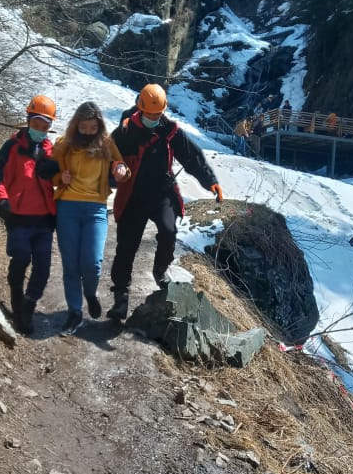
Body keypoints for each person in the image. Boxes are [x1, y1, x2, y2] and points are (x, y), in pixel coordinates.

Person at [107, 83, 224, 322]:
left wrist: (209, 180)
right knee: (126, 247)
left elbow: (191, 156)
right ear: (139, 108)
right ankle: (121, 297)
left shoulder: (170, 131)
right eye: (149, 113)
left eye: (157, 114)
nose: (153, 117)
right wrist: (111, 178)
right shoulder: (125, 131)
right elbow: (108, 160)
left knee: (169, 232)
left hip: (162, 194)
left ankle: (160, 272)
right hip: (133, 196)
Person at [51, 101, 130, 336]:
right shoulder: (64, 145)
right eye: (83, 127)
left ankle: (90, 293)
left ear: (99, 127)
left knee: (93, 263)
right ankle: (75, 313)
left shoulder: (107, 143)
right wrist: (59, 177)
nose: (86, 132)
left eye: (91, 128)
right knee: (71, 265)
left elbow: (121, 166)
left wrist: (122, 171)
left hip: (96, 209)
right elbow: (48, 172)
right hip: (67, 208)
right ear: (76, 125)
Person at [0, 94, 58, 335]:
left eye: (46, 125)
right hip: (18, 215)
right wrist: (0, 200)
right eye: (37, 123)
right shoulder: (12, 147)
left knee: (43, 268)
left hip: (45, 219)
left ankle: (27, 306)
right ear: (28, 120)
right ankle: (16, 295)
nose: (41, 129)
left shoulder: (52, 152)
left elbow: (63, 180)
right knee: (20, 256)